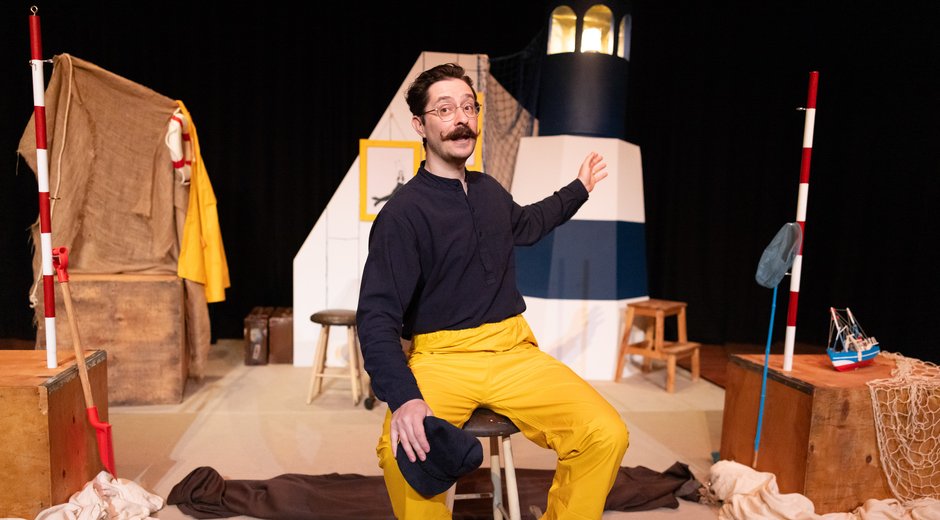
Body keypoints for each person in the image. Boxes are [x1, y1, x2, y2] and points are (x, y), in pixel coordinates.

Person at [356, 62, 629, 519]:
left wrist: (578, 189)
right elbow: (377, 315)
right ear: (421, 125)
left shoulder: (488, 191)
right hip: (441, 358)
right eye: (445, 109)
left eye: (468, 107)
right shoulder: (403, 214)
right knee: (401, 452)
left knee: (605, 432)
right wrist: (403, 398)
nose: (461, 117)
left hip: (512, 351)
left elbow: (526, 223)